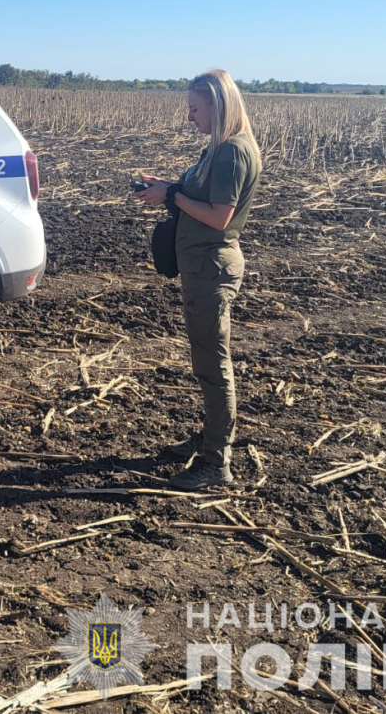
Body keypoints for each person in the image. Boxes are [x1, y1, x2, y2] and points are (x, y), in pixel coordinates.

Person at [134, 69, 262, 489]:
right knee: (207, 362)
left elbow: (219, 217)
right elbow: (203, 199)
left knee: (213, 366)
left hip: (212, 268)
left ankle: (215, 463)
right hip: (204, 265)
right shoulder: (221, 148)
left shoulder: (230, 152)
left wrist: (171, 195)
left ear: (216, 104)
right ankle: (208, 439)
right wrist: (169, 185)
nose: (189, 116)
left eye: (194, 108)